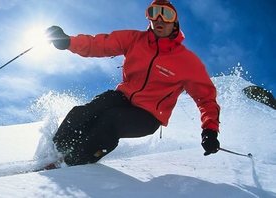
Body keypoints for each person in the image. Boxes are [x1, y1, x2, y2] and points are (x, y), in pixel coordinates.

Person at [46, 0, 221, 166]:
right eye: (154, 13)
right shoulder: (135, 39)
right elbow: (100, 44)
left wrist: (210, 131)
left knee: (109, 121)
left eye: (166, 14)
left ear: (175, 22)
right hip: (123, 96)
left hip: (149, 115)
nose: (159, 19)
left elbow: (205, 99)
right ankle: (54, 153)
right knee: (83, 113)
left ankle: (75, 162)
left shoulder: (186, 61)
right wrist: (68, 42)